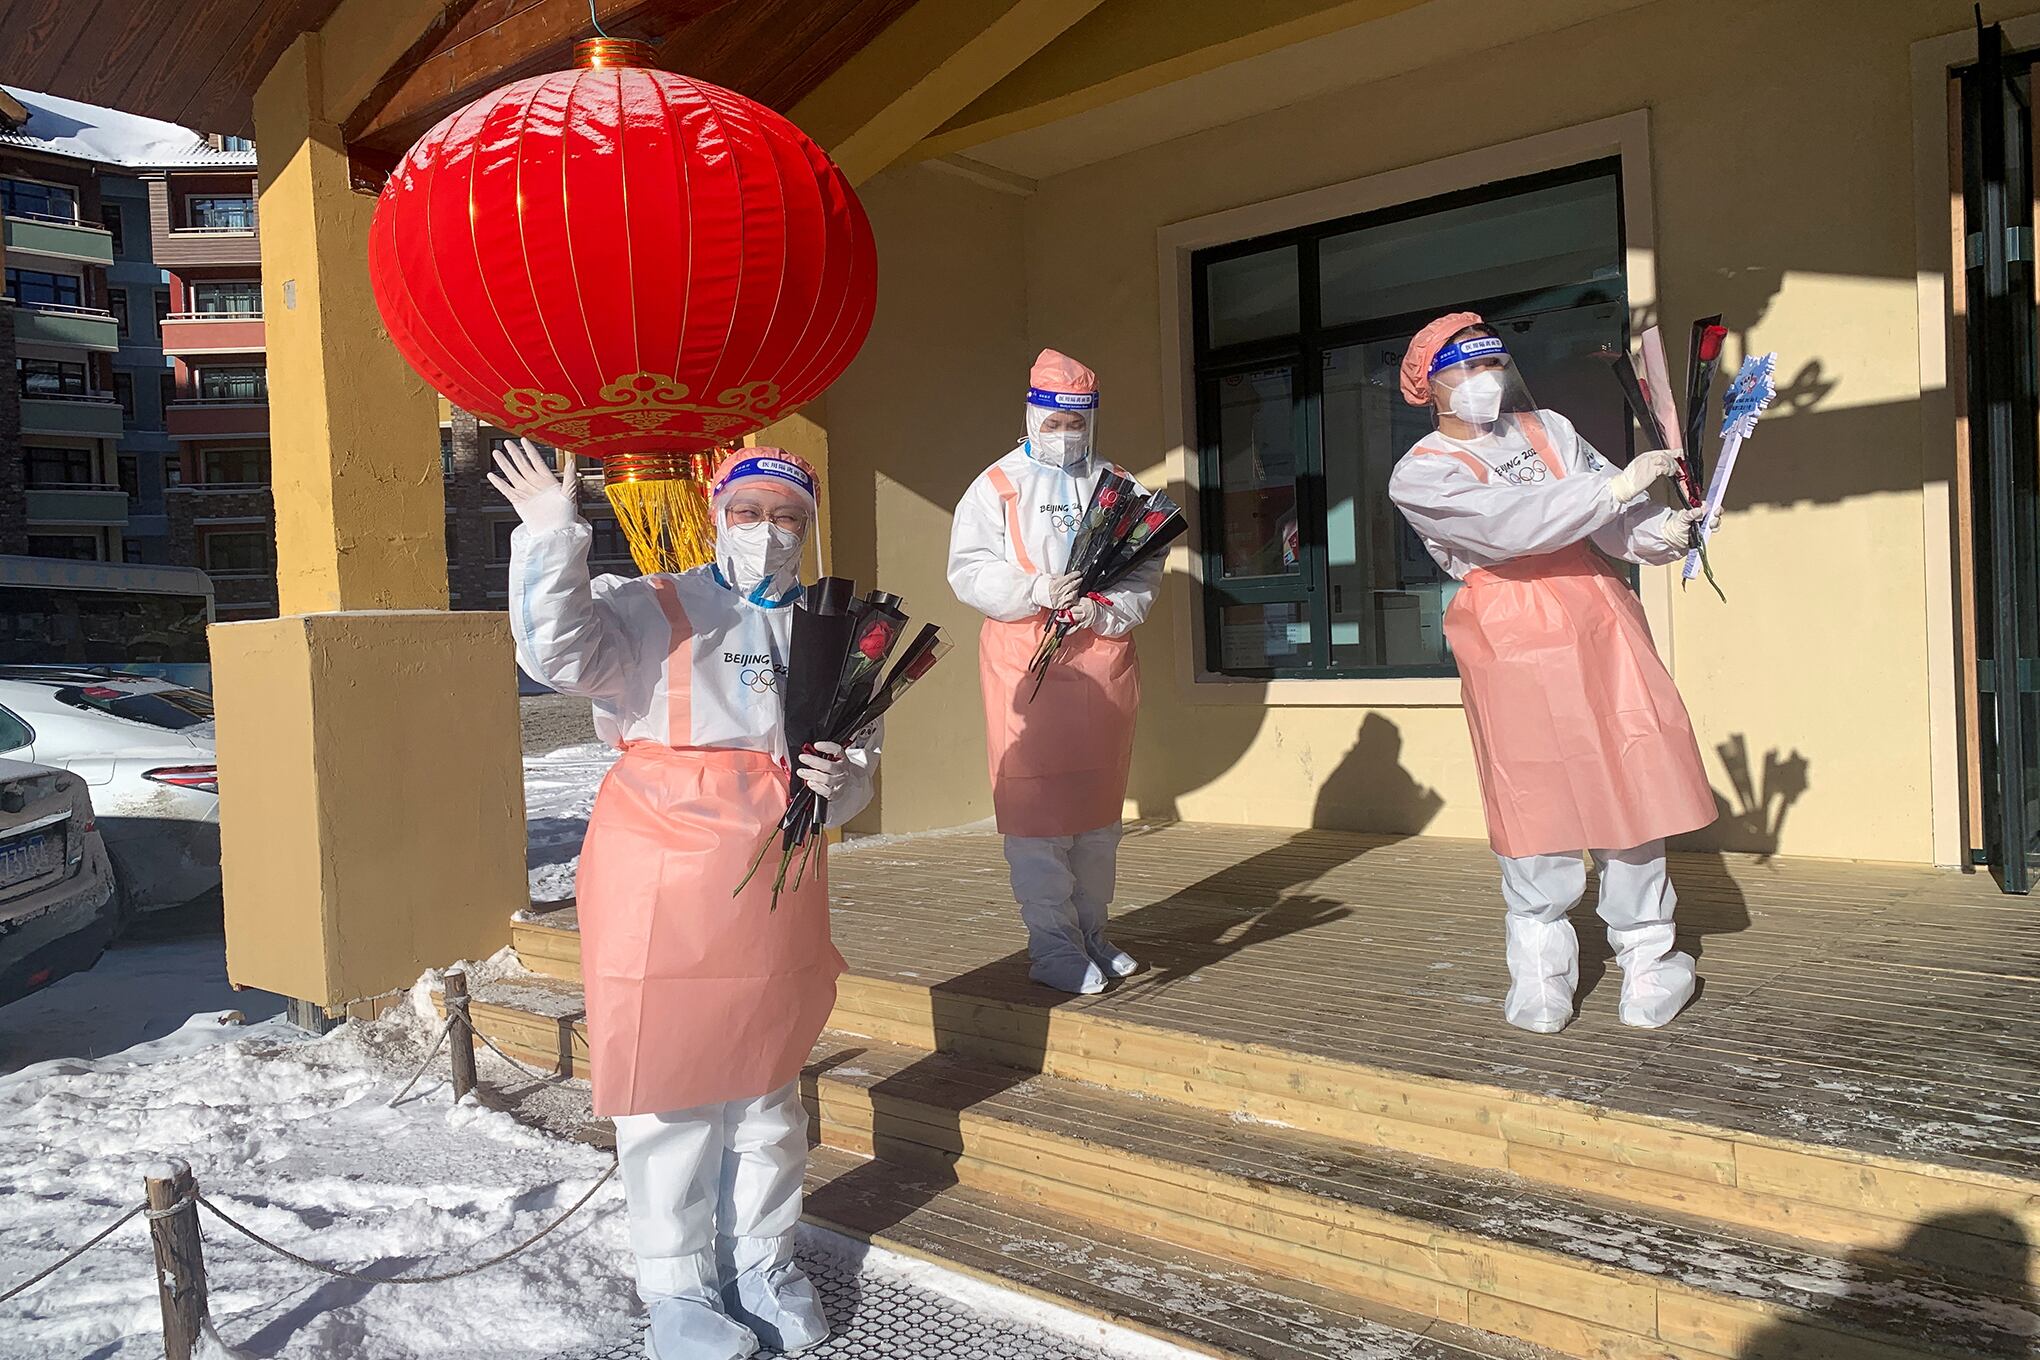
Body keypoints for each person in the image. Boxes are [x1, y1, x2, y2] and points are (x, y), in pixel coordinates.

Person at [497, 439, 877, 1358]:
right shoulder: (651, 604)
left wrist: (842, 784)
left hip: (776, 873)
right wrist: (554, 542)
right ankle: (678, 1289)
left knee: (765, 1085)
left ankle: (762, 1261)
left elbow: (861, 758)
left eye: (788, 516)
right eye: (749, 512)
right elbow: (558, 654)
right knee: (670, 1092)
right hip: (659, 869)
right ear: (717, 513)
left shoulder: (833, 630)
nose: (769, 532)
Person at [1386, 313, 1717, 1034]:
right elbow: (1510, 527)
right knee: (1534, 797)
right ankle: (1540, 973)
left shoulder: (1549, 430)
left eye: (1492, 365)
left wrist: (1659, 532)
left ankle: (1648, 962)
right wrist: (1615, 492)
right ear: (1429, 385)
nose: (1484, 382)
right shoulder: (1422, 472)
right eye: (1465, 371)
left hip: (1598, 618)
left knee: (1630, 783)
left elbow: (1610, 520)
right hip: (1510, 633)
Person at [947, 349, 1163, 995]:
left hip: (1100, 657)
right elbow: (968, 569)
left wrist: (1106, 609)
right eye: (1054, 419)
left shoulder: (1119, 486)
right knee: (1038, 808)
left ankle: (1093, 932)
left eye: (1077, 421)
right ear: (1031, 414)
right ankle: (1052, 945)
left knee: (1097, 814)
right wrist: (1035, 588)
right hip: (1026, 658)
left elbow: (1145, 569)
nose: (1065, 433)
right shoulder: (997, 486)